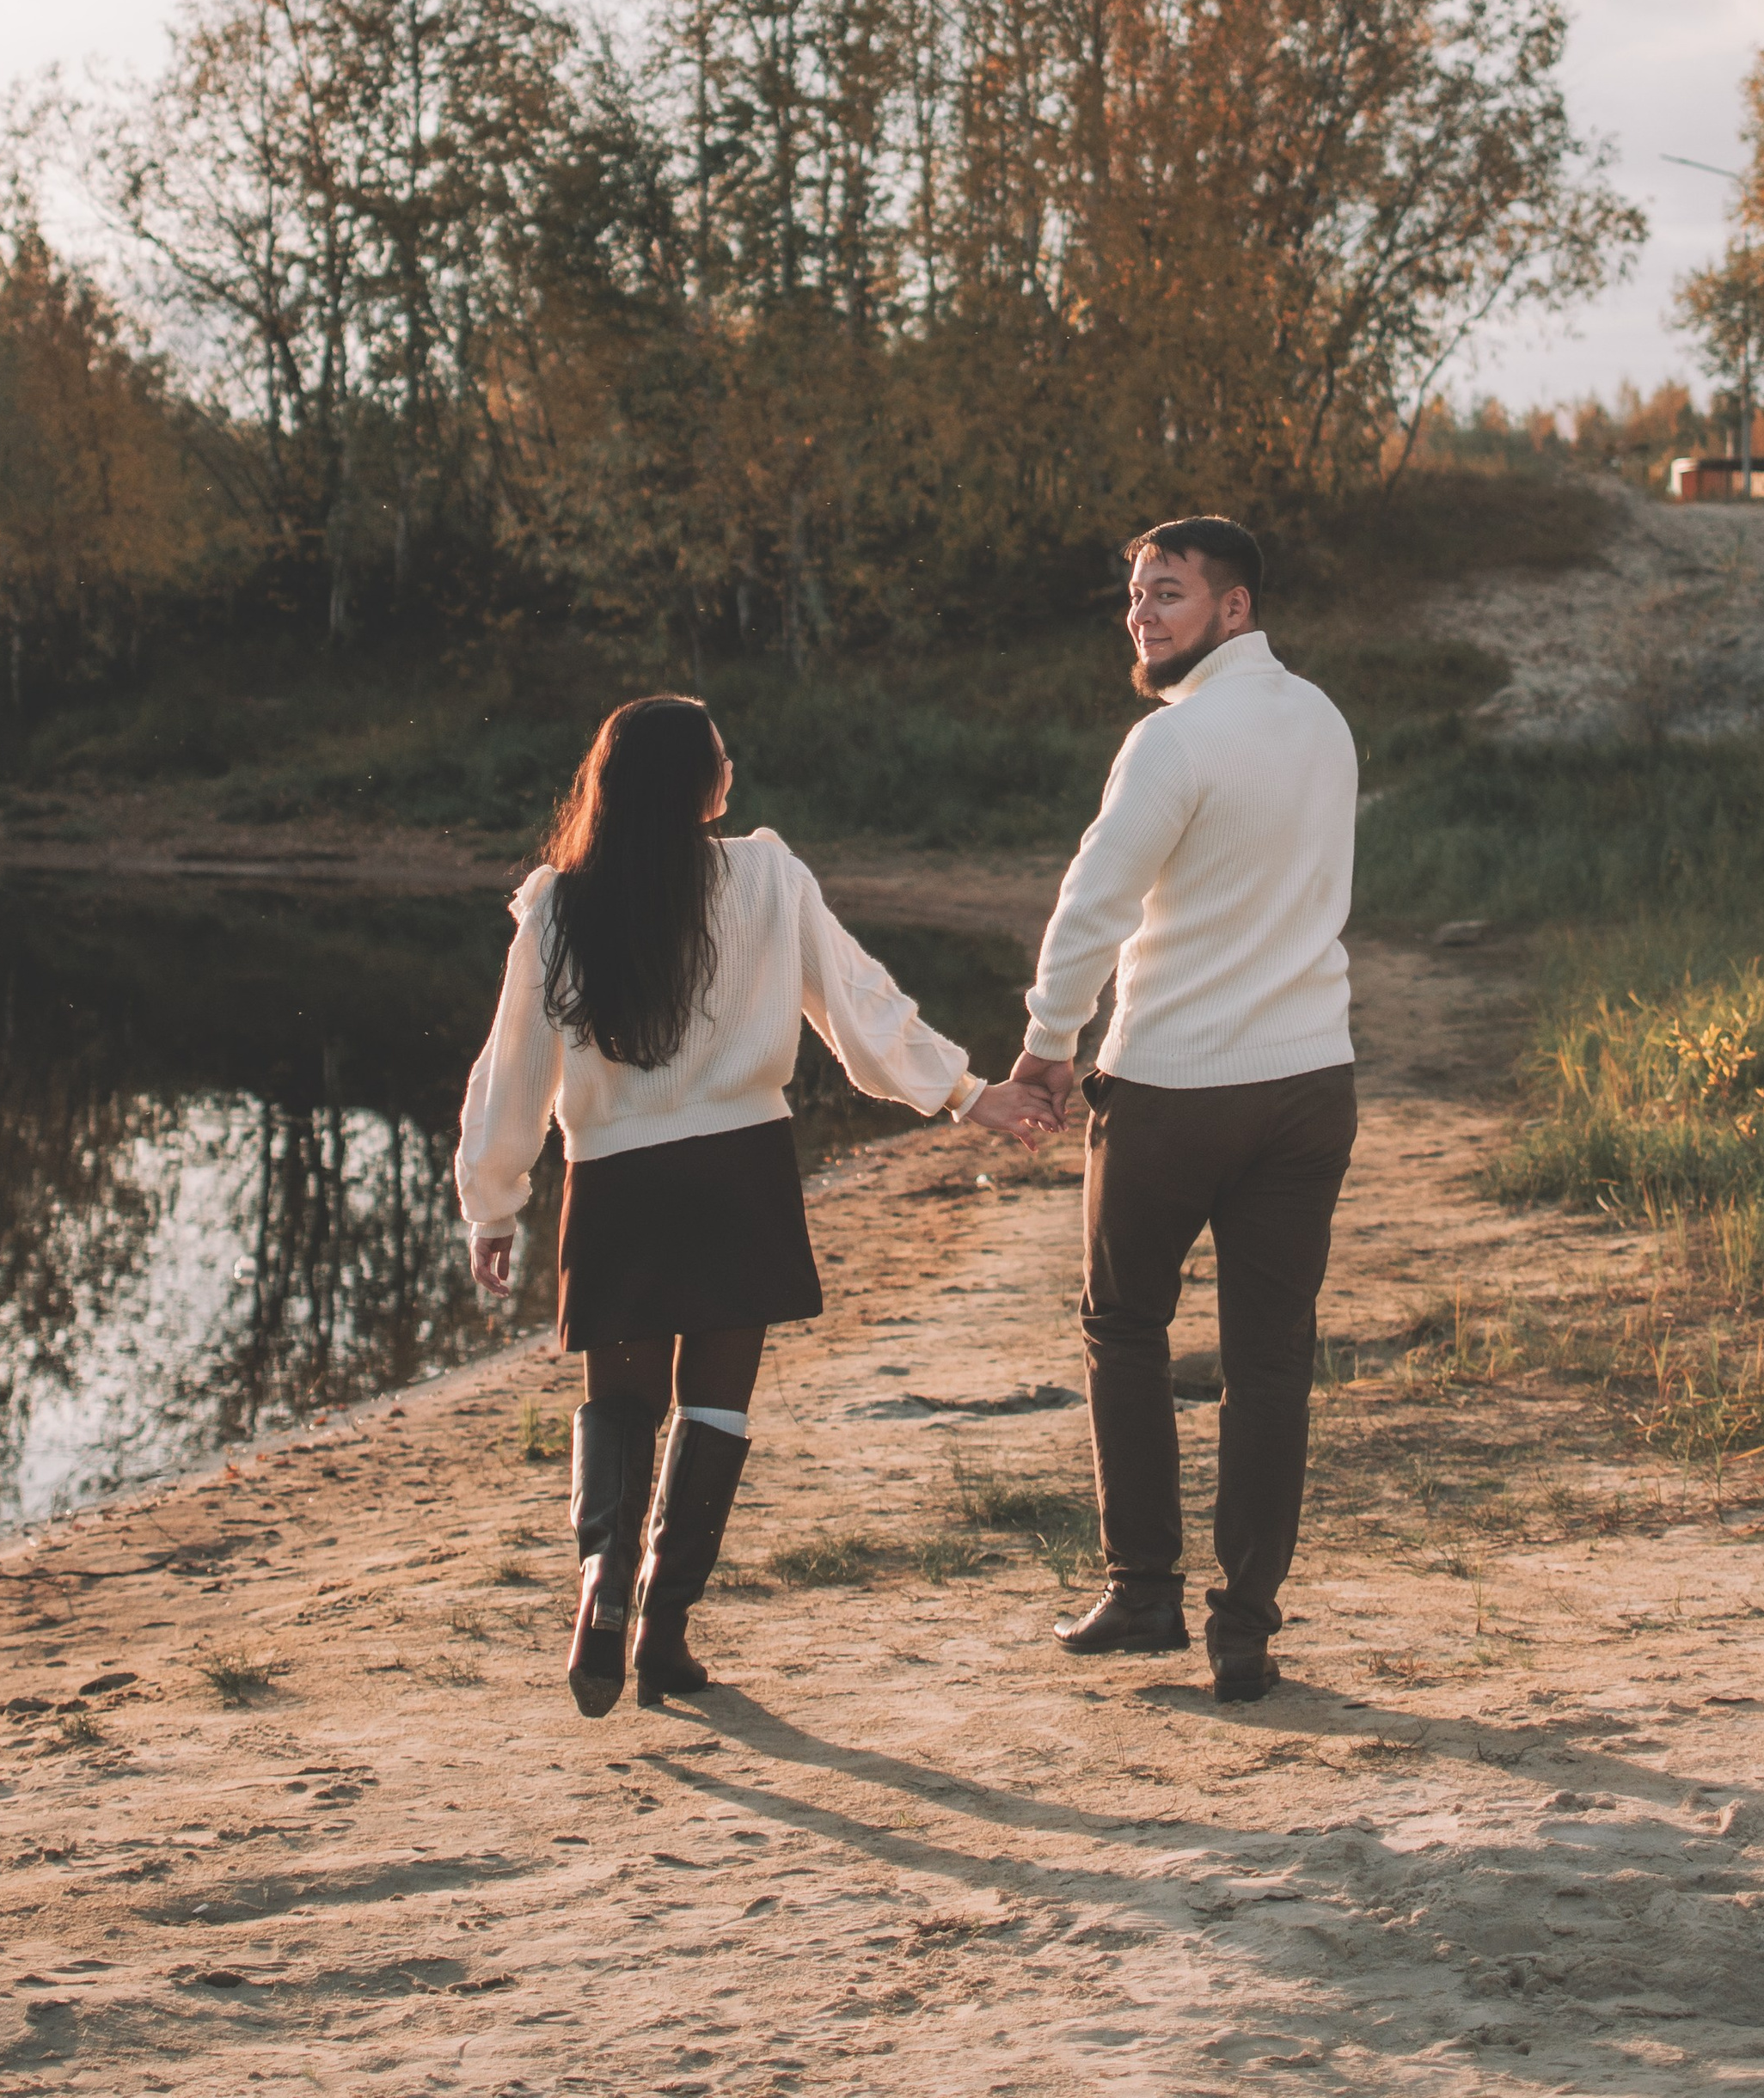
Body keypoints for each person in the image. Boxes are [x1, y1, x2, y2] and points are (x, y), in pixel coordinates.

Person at [458, 694, 1054, 1716]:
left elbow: (513, 1069)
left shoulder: (560, 905)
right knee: (716, 1405)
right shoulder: (768, 877)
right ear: (702, 784)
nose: (731, 768)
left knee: (620, 1403)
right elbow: (858, 1006)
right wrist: (963, 1093)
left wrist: (494, 1202)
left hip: (619, 1183)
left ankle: (601, 1578)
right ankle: (665, 1630)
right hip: (738, 1172)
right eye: (721, 756)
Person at [1009, 518, 1357, 1704]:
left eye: (1169, 594)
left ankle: (1147, 1591)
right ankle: (1246, 1628)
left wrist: (1048, 1047)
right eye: (1134, 596)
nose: (1142, 616)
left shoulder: (1173, 739)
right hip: (1311, 1085)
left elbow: (1092, 906)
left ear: (1235, 608)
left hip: (1172, 1089)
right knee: (1271, 1364)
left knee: (1124, 1328)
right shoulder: (1322, 719)